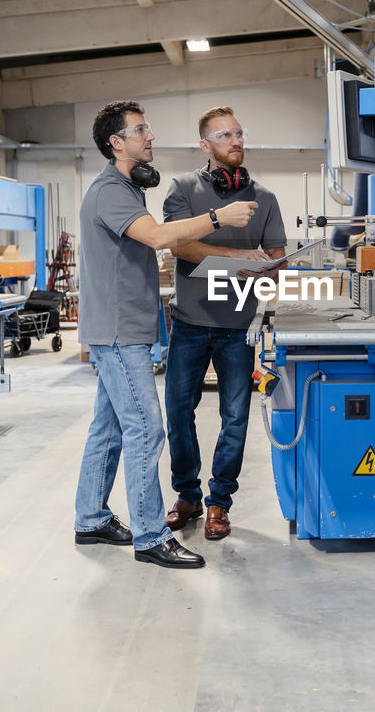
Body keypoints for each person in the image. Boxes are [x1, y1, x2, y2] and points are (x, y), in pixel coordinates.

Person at [74, 99, 257, 569]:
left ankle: (91, 518)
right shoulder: (111, 190)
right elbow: (158, 238)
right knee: (145, 430)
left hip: (123, 326)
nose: (149, 136)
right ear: (117, 143)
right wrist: (220, 217)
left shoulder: (126, 190)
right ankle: (151, 537)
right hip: (119, 330)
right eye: (140, 130)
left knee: (109, 427)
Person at [162, 106, 287, 540]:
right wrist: (238, 258)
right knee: (179, 414)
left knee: (236, 416)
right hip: (190, 322)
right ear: (205, 144)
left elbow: (275, 258)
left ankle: (219, 503)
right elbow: (180, 245)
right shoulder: (181, 189)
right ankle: (187, 496)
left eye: (239, 133)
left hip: (239, 326)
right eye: (225, 135)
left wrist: (271, 267)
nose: (236, 141)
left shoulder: (265, 198)